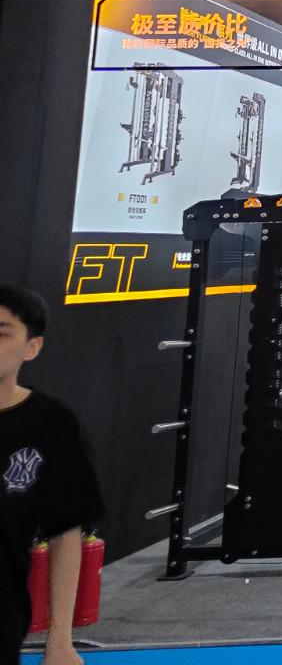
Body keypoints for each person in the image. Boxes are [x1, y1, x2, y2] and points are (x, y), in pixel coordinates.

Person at [1, 285, 104, 665]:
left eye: (1, 333)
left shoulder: (50, 424)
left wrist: (60, 640)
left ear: (32, 347)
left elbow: (64, 531)